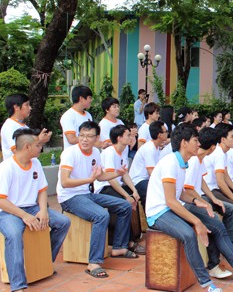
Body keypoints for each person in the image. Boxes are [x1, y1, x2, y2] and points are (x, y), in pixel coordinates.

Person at [145, 124, 233, 292]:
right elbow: (170, 201)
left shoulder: (183, 162)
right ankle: (207, 284)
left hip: (171, 208)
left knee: (216, 224)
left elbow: (180, 193)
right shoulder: (170, 163)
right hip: (158, 212)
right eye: (195, 140)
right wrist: (197, 221)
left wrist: (199, 202)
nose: (198, 144)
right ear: (184, 143)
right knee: (189, 234)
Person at [57, 121, 138, 278]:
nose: (85, 139)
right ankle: (93, 262)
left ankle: (119, 247)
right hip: (70, 197)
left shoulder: (95, 153)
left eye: (89, 136)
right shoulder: (69, 153)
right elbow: (65, 182)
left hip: (86, 194)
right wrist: (88, 180)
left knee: (124, 205)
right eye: (82, 135)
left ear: (96, 138)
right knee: (101, 215)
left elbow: (100, 176)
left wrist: (118, 173)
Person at [0, 129, 70, 292]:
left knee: (62, 222)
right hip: (8, 212)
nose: (41, 148)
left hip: (32, 207)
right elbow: (2, 200)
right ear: (27, 147)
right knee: (14, 234)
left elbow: (42, 190)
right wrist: (25, 216)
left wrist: (43, 211)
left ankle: (45, 262)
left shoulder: (36, 163)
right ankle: (17, 285)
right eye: (38, 145)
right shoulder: (6, 168)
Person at [96, 125, 144, 254]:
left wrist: (134, 191)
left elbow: (124, 174)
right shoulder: (109, 153)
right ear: (119, 138)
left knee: (134, 198)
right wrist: (126, 196)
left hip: (116, 186)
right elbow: (110, 180)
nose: (131, 137)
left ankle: (134, 237)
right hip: (104, 188)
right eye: (128, 135)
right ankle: (126, 243)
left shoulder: (123, 152)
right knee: (124, 203)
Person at [1, 94, 51, 159]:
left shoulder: (24, 126)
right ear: (16, 107)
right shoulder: (9, 126)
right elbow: (18, 152)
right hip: (16, 168)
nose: (30, 108)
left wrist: (41, 142)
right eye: (27, 105)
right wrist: (39, 140)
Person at [129, 121, 168, 207]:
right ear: (159, 135)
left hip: (146, 179)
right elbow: (152, 172)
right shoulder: (150, 148)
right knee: (157, 192)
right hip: (138, 180)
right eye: (166, 132)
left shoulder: (156, 147)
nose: (167, 133)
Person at [60, 85, 95, 149]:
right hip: (73, 156)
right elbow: (72, 139)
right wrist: (92, 140)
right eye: (89, 97)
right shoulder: (68, 116)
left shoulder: (88, 115)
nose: (91, 100)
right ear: (81, 99)